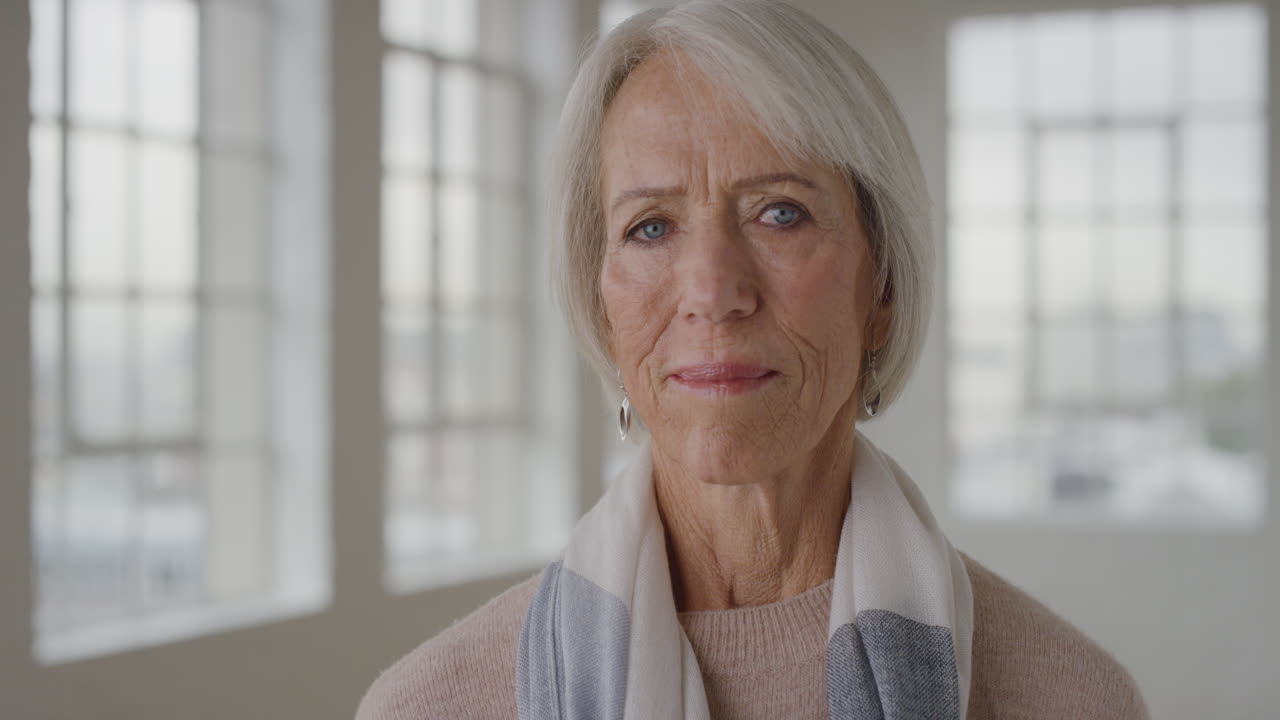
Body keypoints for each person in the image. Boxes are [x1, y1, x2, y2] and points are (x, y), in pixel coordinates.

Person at [356, 1, 1151, 718]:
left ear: (883, 289)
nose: (712, 290)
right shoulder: (426, 707)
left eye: (780, 212)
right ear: (602, 306)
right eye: (651, 228)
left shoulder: (1072, 701)